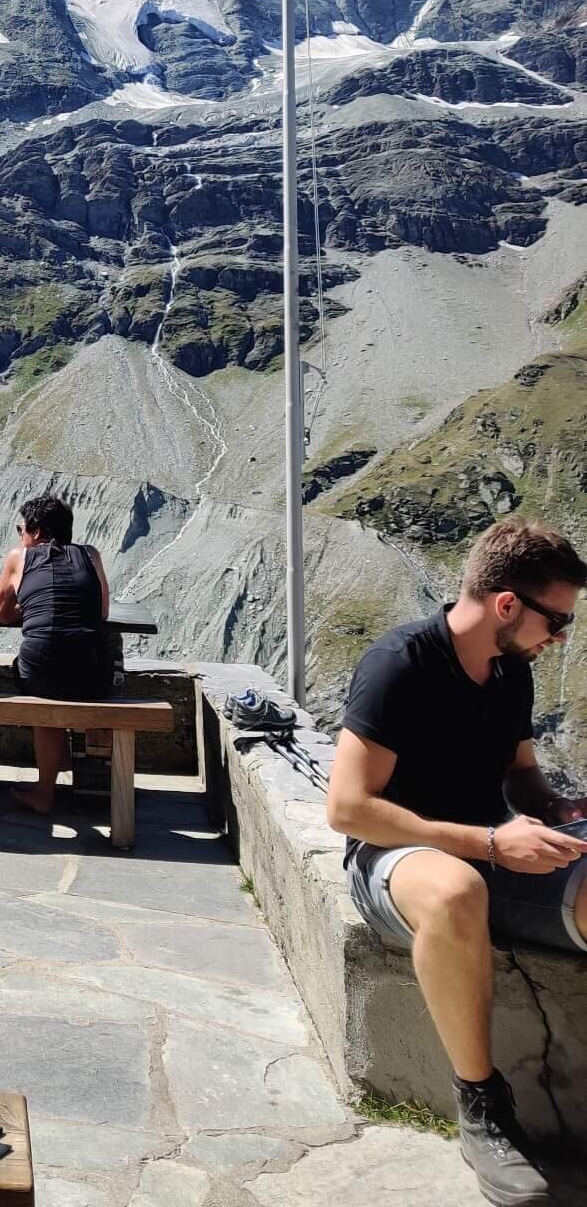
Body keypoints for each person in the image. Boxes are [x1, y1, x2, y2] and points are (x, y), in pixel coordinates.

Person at [325, 517, 587, 1206]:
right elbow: (348, 808)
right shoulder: (399, 664)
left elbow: (521, 774)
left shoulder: (508, 673)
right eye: (555, 621)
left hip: (491, 850)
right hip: (396, 860)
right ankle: (482, 1108)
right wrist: (492, 843)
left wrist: (561, 809)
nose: (558, 638)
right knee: (454, 892)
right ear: (508, 606)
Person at [0, 494, 111, 815]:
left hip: (42, 668)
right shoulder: (91, 555)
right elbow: (100, 612)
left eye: (22, 529)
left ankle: (44, 793)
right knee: (62, 677)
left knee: (45, 696)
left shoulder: (20, 557)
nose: (20, 536)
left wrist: (30, 606)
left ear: (36, 532)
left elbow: (0, 614)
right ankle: (67, 763)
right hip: (94, 671)